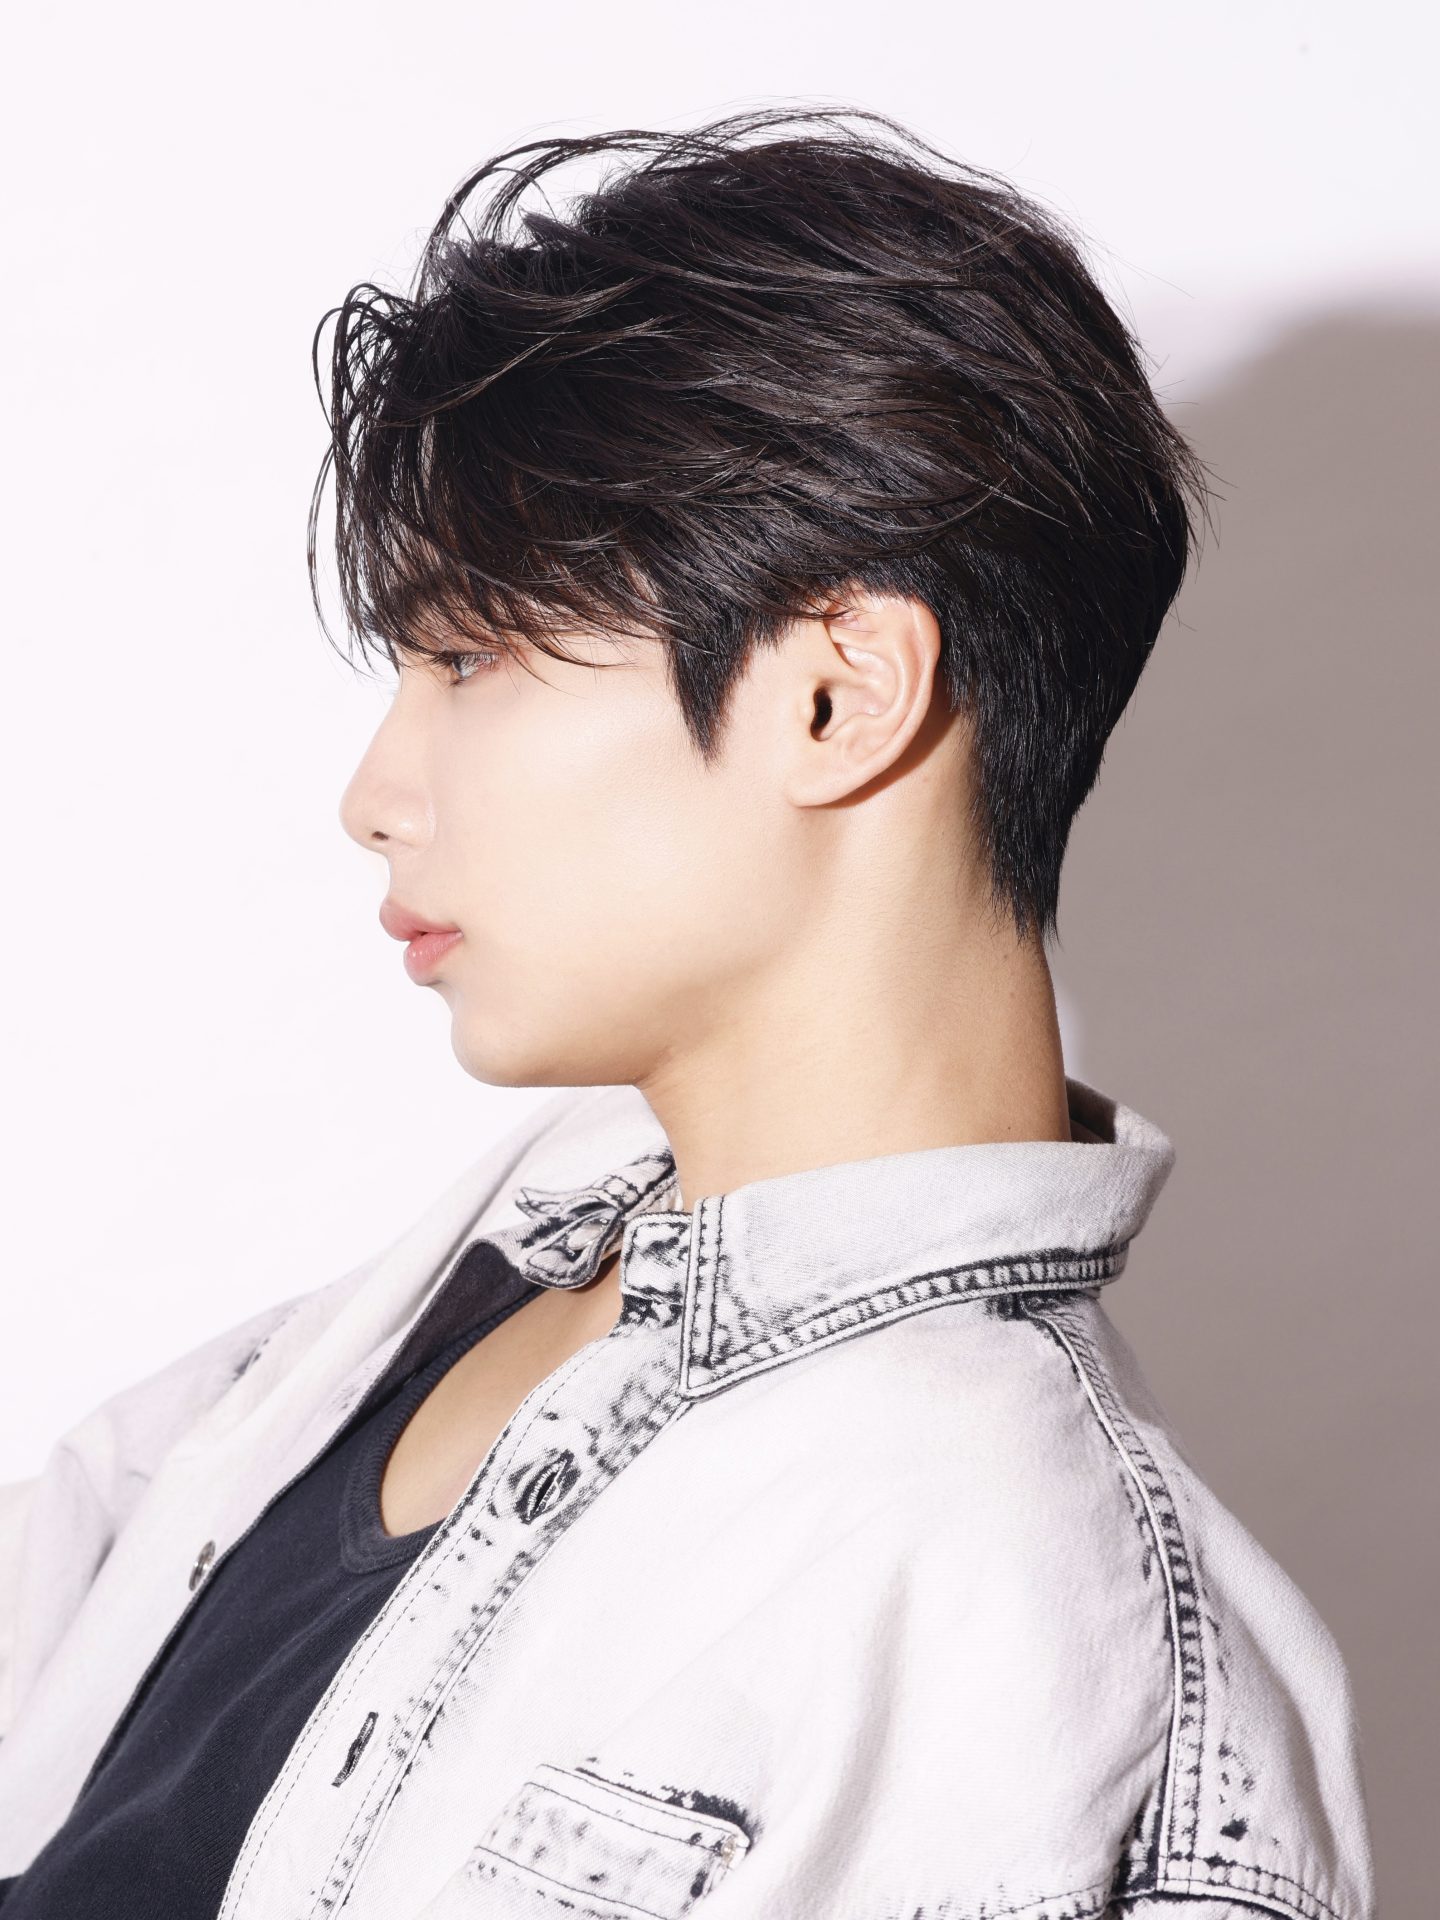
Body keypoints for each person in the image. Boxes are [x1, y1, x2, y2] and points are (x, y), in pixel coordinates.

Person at [0, 104, 1374, 1920]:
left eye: (470, 656)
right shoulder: (444, 1295)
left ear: (837, 697)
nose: (375, 795)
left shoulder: (1030, 1607)